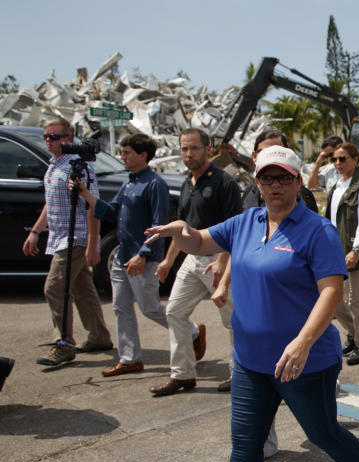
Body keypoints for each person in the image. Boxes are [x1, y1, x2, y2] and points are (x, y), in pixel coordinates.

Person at [145, 145, 359, 462]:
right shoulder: (246, 222)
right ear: (255, 182)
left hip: (303, 362)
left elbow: (332, 291)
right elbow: (202, 240)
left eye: (284, 178)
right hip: (251, 360)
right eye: (266, 178)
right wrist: (182, 233)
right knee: (245, 445)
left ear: (297, 181)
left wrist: (303, 341)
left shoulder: (317, 231)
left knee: (323, 434)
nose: (275, 186)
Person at [151, 128, 241, 396]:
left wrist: (223, 263)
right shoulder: (186, 183)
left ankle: (239, 375)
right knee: (174, 312)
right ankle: (183, 375)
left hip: (220, 259)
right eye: (184, 149)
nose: (188, 154)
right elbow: (183, 229)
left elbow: (233, 228)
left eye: (194, 148)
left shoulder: (225, 183)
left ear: (208, 148)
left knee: (234, 321)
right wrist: (168, 261)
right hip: (192, 259)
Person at [75, 134, 170, 377]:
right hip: (122, 257)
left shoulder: (154, 184)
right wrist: (87, 195)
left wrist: (143, 254)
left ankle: (191, 332)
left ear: (143, 155)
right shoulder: (128, 182)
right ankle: (129, 359)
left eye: (127, 153)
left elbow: (160, 224)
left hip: (142, 259)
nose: (122, 157)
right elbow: (111, 211)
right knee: (120, 307)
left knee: (149, 308)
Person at [22, 117, 112, 366]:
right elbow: (50, 204)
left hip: (76, 237)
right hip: (60, 235)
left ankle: (63, 343)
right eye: (46, 136)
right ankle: (99, 336)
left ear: (68, 139)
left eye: (54, 136)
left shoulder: (80, 167)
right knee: (82, 289)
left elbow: (92, 206)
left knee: (54, 288)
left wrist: (93, 243)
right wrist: (36, 232)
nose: (48, 141)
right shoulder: (54, 166)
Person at [326, 142, 359, 366]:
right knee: (336, 301)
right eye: (334, 159)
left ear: (355, 160)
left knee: (355, 299)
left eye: (342, 159)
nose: (338, 163)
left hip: (356, 251)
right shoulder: (337, 186)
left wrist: (356, 249)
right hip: (336, 250)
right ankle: (353, 334)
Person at [241, 130, 317, 213]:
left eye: (277, 151)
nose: (270, 155)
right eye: (262, 151)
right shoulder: (248, 193)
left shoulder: (304, 196)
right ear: (254, 156)